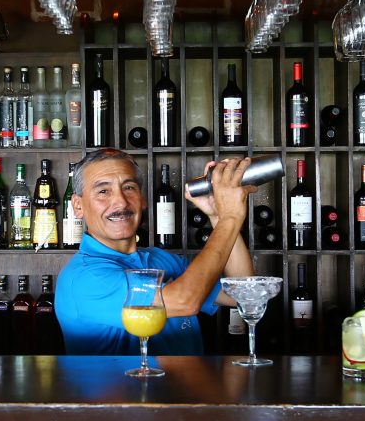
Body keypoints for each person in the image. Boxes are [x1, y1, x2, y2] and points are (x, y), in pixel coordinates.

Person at [55, 148, 255, 354]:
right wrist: (230, 217)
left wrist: (218, 216)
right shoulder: (84, 277)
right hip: (126, 378)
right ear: (77, 206)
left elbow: (243, 295)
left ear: (142, 199)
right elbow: (185, 300)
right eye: (103, 191)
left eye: (129, 187)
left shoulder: (162, 259)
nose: (121, 202)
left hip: (190, 376)